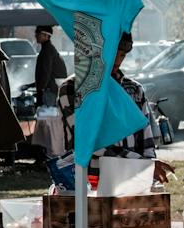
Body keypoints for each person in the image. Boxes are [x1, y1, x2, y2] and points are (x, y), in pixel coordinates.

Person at [56, 32, 173, 182]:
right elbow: (89, 141)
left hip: (131, 180)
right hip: (90, 178)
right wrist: (141, 163)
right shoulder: (73, 88)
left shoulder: (133, 89)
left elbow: (146, 139)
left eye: (123, 55)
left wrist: (148, 167)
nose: (118, 59)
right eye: (114, 53)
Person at [34, 23, 67, 109]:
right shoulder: (48, 49)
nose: (36, 35)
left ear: (46, 36)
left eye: (38, 33)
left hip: (50, 91)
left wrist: (41, 89)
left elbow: (46, 72)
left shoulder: (47, 51)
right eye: (36, 33)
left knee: (48, 118)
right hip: (53, 89)